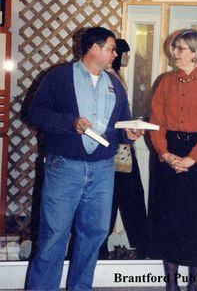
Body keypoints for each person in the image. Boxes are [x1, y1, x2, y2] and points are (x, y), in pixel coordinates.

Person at [25, 27, 143, 291]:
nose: (116, 54)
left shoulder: (115, 85)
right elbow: (36, 113)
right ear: (94, 48)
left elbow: (121, 123)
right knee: (54, 235)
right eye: (111, 48)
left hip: (102, 169)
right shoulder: (59, 77)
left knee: (94, 235)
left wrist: (129, 133)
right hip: (65, 167)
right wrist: (70, 123)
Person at [149, 29, 197, 291]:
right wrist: (165, 153)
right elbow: (156, 122)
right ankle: (172, 285)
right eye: (175, 47)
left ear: (196, 53)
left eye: (180, 48)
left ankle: (193, 285)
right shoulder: (165, 81)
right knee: (168, 217)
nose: (174, 52)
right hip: (170, 151)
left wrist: (193, 158)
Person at [99, 39, 149, 259]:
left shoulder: (116, 76)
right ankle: (141, 246)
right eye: (124, 54)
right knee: (124, 195)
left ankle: (139, 244)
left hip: (122, 147)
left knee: (123, 195)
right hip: (116, 149)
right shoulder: (107, 76)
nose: (127, 58)